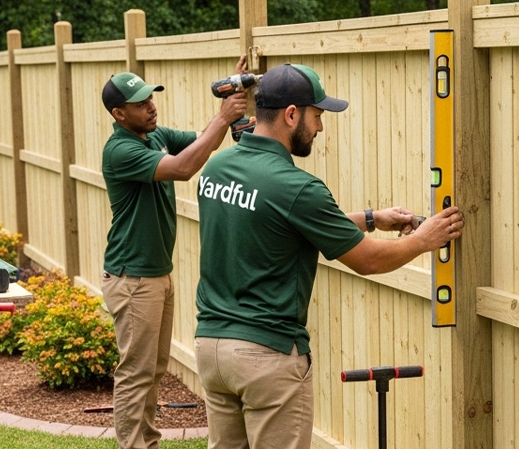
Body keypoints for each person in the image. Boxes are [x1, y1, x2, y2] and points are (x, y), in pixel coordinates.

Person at [193, 63, 465, 449]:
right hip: (265, 356)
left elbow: (275, 223)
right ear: (291, 114)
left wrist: (371, 218)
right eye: (317, 115)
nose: (320, 127)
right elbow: (367, 261)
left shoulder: (218, 167)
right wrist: (424, 239)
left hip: (212, 350)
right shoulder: (297, 186)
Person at [100, 56, 248, 449]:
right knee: (136, 372)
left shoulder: (153, 136)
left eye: (151, 98)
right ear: (119, 113)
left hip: (155, 275)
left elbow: (200, 139)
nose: (151, 106)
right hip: (133, 279)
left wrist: (229, 104)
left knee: (153, 369)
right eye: (141, 103)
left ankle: (146, 442)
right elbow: (184, 168)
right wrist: (223, 117)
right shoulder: (120, 150)